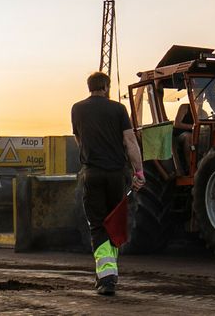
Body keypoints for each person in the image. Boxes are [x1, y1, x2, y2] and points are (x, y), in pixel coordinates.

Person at [71, 71, 144, 297]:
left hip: (92, 174)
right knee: (113, 223)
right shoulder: (118, 109)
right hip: (116, 175)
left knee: (98, 225)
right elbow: (130, 141)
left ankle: (106, 277)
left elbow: (79, 139)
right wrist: (139, 171)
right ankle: (108, 274)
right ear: (106, 86)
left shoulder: (77, 109)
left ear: (90, 86)